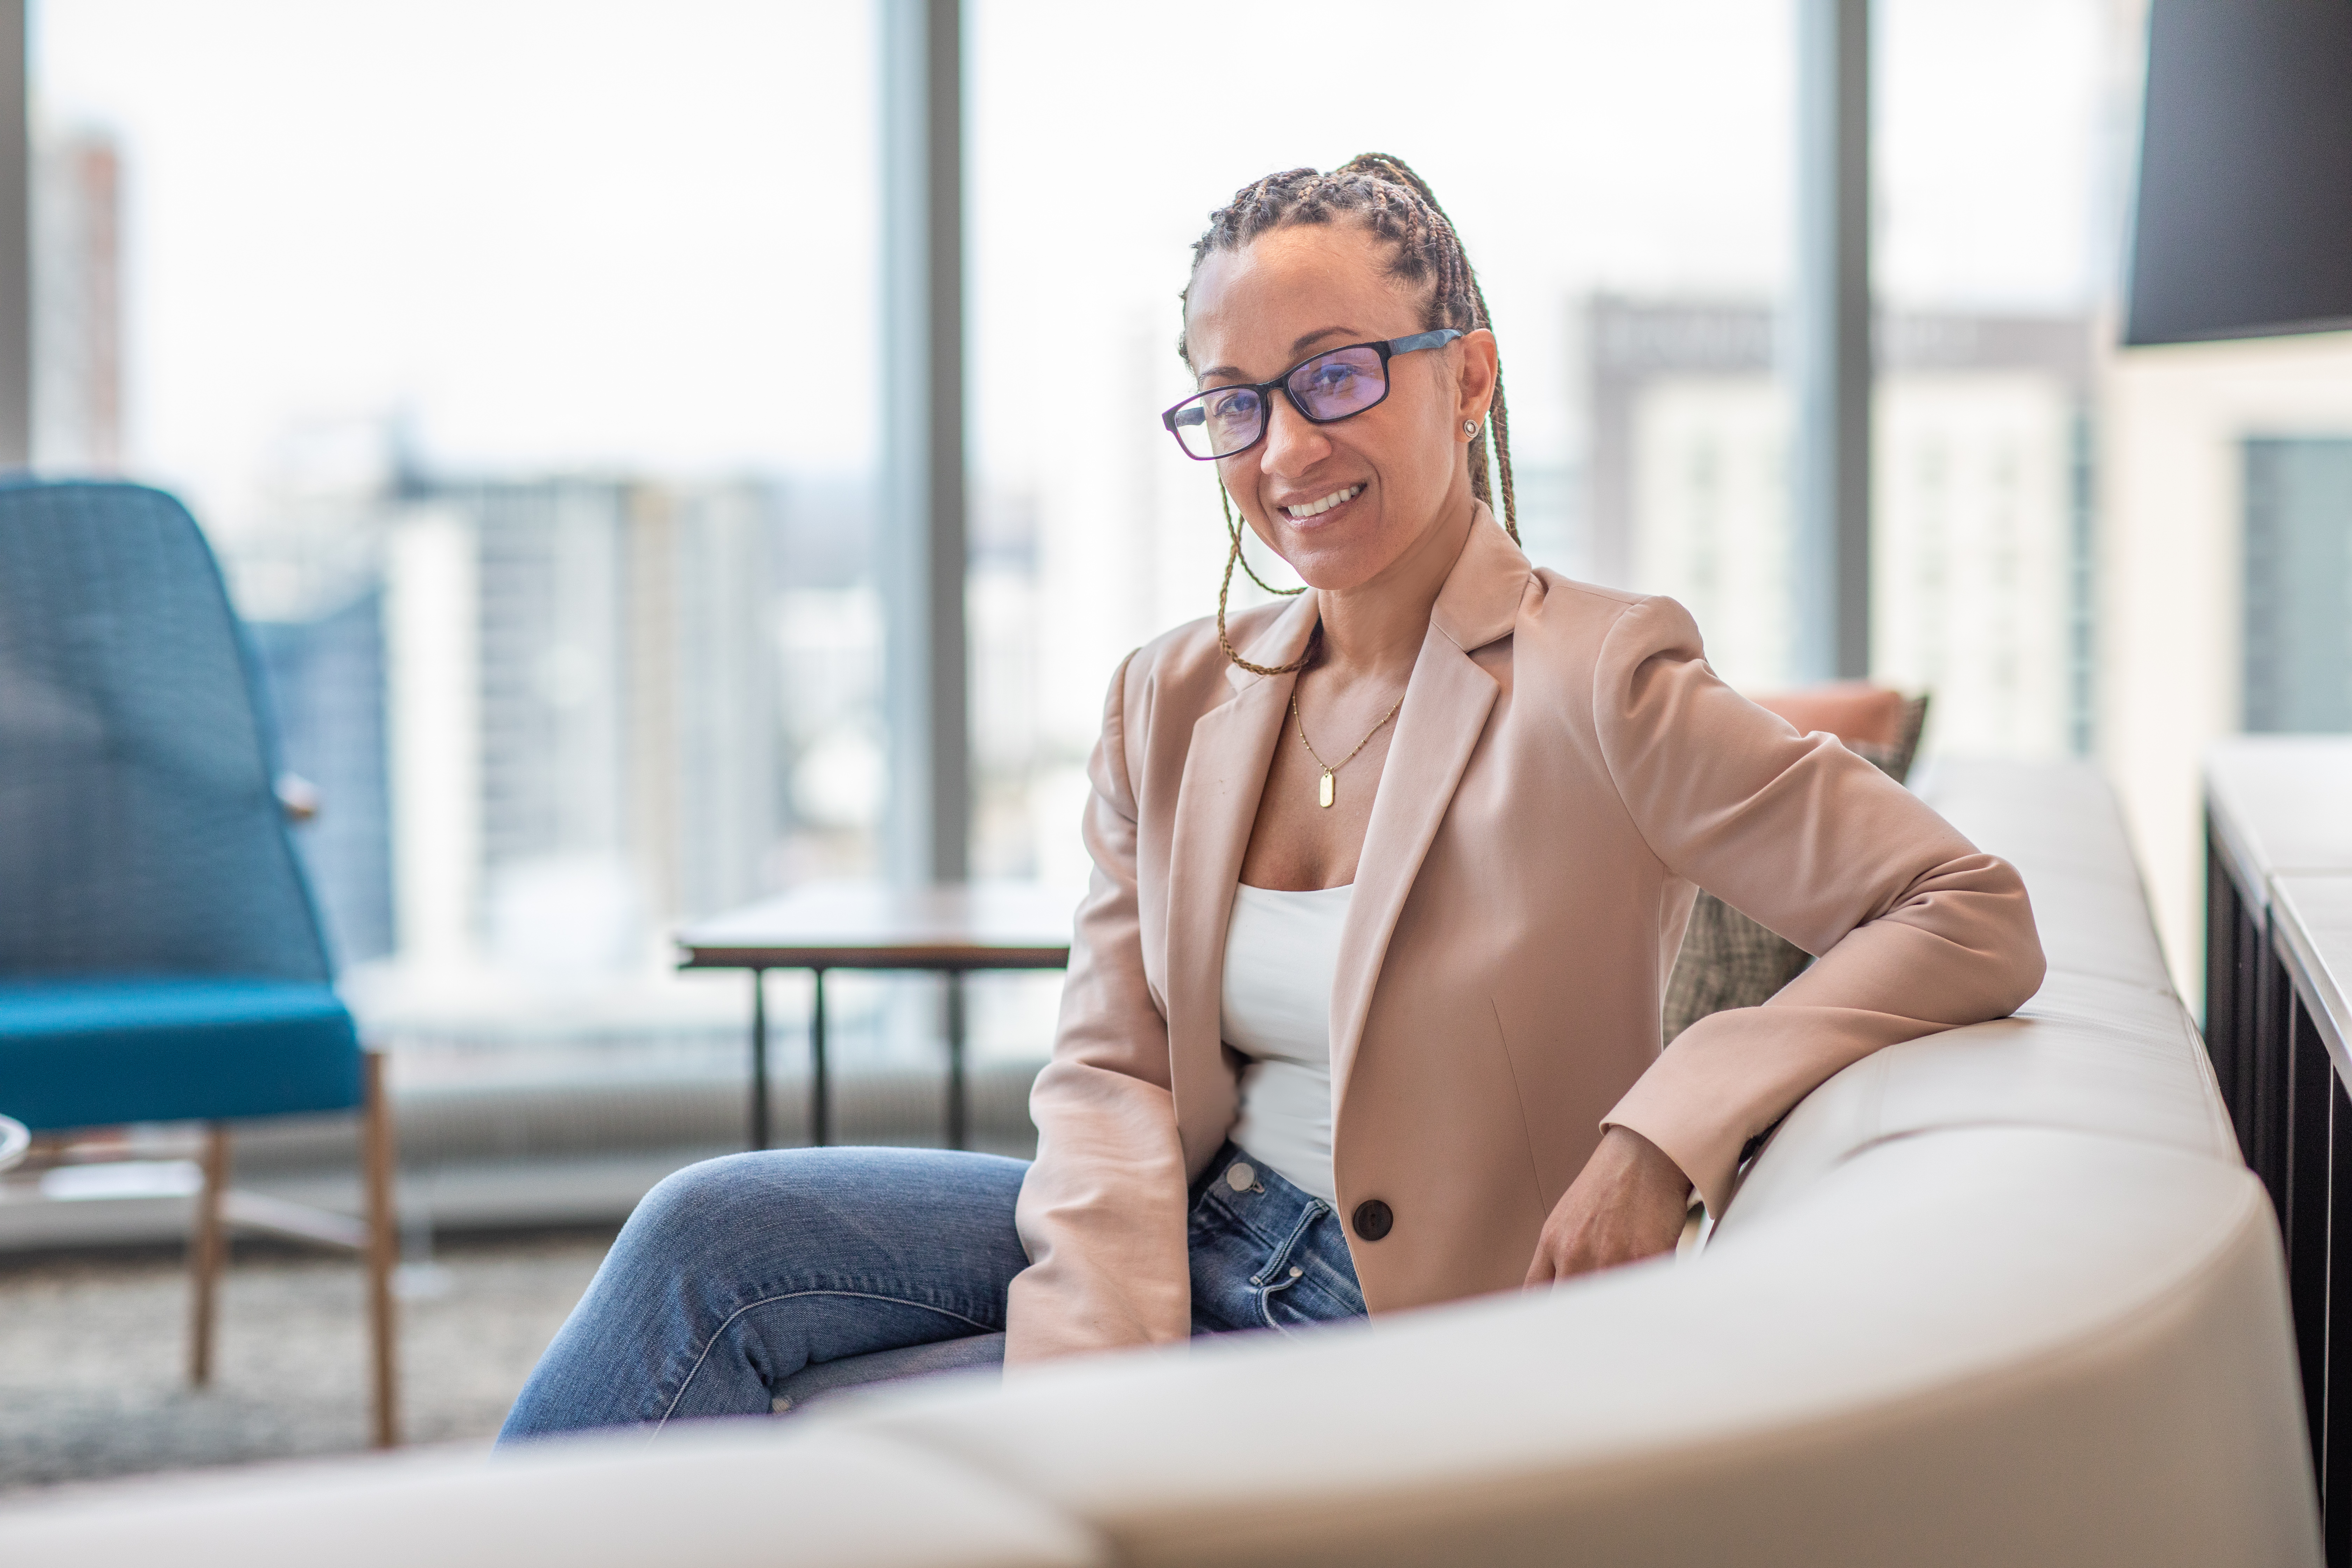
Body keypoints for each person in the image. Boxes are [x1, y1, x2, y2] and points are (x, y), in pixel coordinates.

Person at [499, 154, 2043, 1438]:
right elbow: (1111, 1077)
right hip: (1192, 1227)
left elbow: (1967, 909)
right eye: (1233, 403)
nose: (1287, 447)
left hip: (1393, 1325)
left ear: (1470, 379)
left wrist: (1663, 1131)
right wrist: (1096, 1372)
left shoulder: (1602, 677)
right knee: (710, 1236)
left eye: (1337, 377)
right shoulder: (1167, 699)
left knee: (832, 1451)